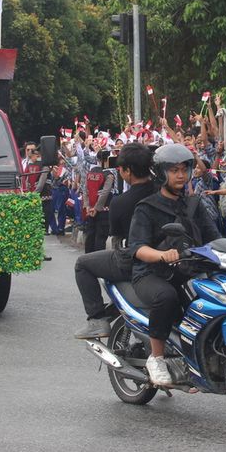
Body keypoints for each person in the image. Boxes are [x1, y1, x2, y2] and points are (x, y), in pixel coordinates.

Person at [130, 144, 223, 386]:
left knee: (215, 298)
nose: (180, 175)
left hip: (188, 270)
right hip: (152, 273)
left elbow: (215, 239)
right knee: (167, 297)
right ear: (161, 173)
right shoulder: (147, 208)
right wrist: (162, 255)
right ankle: (157, 358)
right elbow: (138, 248)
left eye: (184, 169)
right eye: (174, 170)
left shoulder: (194, 204)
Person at [72, 144, 155, 340]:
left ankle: (96, 319)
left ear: (126, 171)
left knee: (82, 264)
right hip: (164, 256)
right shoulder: (166, 193)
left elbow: (117, 239)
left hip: (134, 259)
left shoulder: (120, 202)